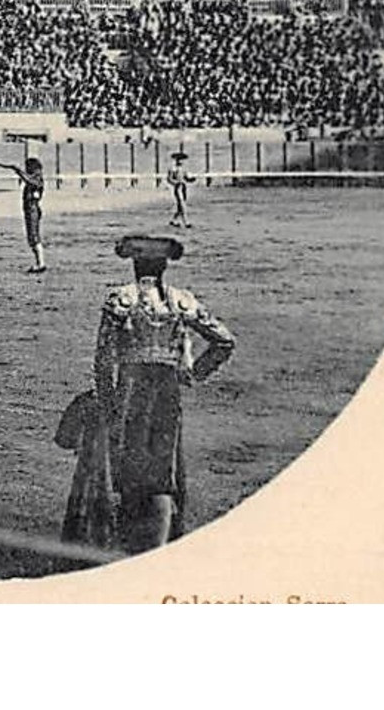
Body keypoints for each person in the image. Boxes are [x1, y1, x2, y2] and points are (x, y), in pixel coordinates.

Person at [90, 234, 236, 553]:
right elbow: (224, 341)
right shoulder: (180, 301)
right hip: (167, 391)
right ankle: (159, 547)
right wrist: (194, 373)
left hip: (130, 391)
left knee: (129, 471)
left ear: (134, 264)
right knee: (162, 471)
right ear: (164, 267)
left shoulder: (121, 299)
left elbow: (102, 359)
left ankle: (130, 546)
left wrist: (107, 402)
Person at [0, 154, 46, 273]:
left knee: (33, 237)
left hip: (33, 210)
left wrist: (18, 171)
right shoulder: (36, 177)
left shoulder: (38, 179)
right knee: (31, 237)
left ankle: (41, 263)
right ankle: (39, 262)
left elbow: (30, 182)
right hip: (30, 210)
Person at [166, 152, 192, 227]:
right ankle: (186, 222)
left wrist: (190, 179)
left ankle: (173, 220)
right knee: (182, 204)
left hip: (183, 187)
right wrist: (175, 183)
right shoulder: (173, 169)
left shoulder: (183, 169)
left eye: (182, 160)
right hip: (178, 188)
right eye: (179, 159)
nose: (181, 161)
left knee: (180, 206)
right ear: (176, 160)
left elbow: (186, 178)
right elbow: (169, 179)